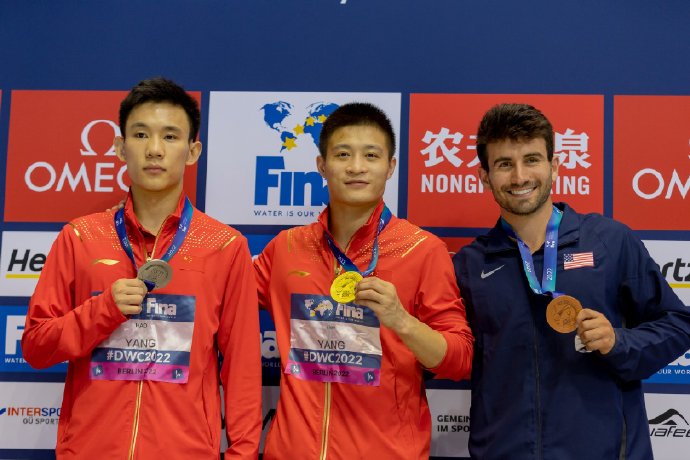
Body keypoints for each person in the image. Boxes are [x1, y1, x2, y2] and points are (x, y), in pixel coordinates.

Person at [22, 77, 262, 459]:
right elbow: (36, 347)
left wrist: (242, 454)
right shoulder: (80, 237)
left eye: (170, 136)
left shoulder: (225, 247)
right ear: (120, 147)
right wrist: (103, 310)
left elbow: (242, 370)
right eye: (140, 134)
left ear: (192, 151)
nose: (154, 149)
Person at [454, 103, 690, 459]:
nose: (519, 177)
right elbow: (450, 354)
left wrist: (619, 341)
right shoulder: (470, 264)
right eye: (504, 164)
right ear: (484, 176)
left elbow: (678, 324)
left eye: (532, 159)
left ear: (555, 165)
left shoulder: (610, 241)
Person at [254, 102, 473, 459]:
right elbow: (218, 296)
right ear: (322, 165)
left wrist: (402, 321)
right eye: (343, 154)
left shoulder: (422, 250)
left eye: (371, 155)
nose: (356, 167)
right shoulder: (286, 248)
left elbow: (460, 360)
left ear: (390, 167)